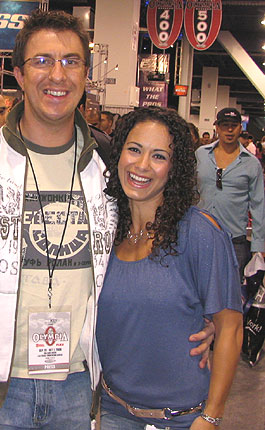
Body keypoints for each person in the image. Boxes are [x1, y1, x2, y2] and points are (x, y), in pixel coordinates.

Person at [0, 10, 213, 430]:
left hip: (78, 385)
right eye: (42, 61)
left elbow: (154, 237)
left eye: (71, 61)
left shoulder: (110, 162)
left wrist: (202, 314)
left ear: (85, 75)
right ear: (19, 75)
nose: (57, 75)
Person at [97, 106, 243, 430]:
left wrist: (211, 416)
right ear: (118, 153)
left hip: (181, 418)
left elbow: (231, 328)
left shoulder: (200, 233)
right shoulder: (105, 228)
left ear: (174, 168)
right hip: (113, 410)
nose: (142, 165)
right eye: (134, 150)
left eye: (159, 156)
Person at [196, 107, 265, 281]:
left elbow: (258, 205)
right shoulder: (201, 155)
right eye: (224, 125)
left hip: (233, 241)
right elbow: (189, 192)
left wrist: (258, 246)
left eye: (233, 125)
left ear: (240, 128)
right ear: (217, 127)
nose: (229, 129)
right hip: (199, 236)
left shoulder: (251, 164)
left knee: (231, 291)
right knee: (196, 288)